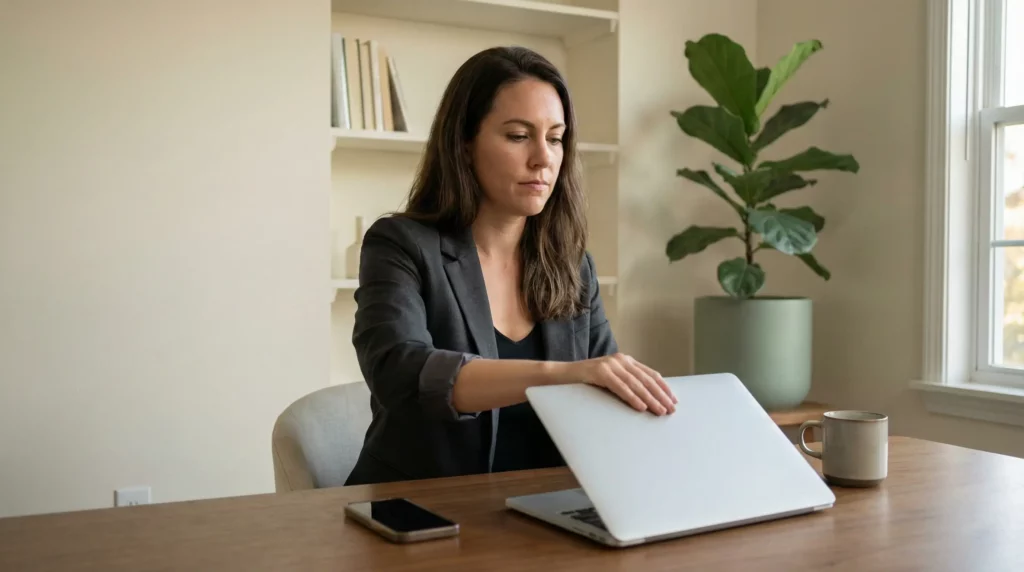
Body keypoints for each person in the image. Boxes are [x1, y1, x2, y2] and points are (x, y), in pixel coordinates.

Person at [344, 46, 676, 486]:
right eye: (519, 136)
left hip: (545, 513)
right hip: (421, 515)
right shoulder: (400, 245)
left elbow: (605, 395)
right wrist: (562, 375)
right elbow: (402, 374)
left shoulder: (574, 268)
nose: (543, 158)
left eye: (555, 138)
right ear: (464, 144)